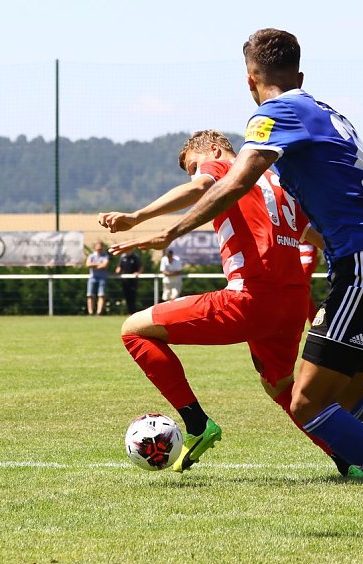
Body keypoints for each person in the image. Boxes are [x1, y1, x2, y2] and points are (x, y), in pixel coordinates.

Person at [108, 29, 363, 535]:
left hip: (361, 266)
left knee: (306, 401)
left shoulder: (270, 117)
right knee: (347, 399)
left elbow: (234, 181)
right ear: (299, 76)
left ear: (251, 80)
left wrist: (166, 231)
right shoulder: (334, 120)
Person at [101, 129, 342, 475]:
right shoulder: (275, 178)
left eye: (194, 165)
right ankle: (349, 456)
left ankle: (197, 424)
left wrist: (137, 217)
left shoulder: (224, 170)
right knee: (279, 386)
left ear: (213, 149)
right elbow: (312, 233)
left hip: (250, 297)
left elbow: (200, 187)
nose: (196, 173)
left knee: (133, 330)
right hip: (291, 302)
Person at [116, 248, 143, 314]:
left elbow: (140, 267)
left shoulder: (135, 257)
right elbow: (119, 267)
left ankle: (133, 312)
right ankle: (129, 312)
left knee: (133, 297)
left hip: (133, 281)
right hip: (125, 281)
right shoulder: (122, 257)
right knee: (126, 297)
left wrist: (138, 273)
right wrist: (117, 271)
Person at [86, 241, 109, 315]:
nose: (99, 249)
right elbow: (88, 264)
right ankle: (90, 312)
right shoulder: (91, 256)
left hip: (102, 278)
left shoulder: (105, 256)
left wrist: (94, 265)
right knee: (90, 295)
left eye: (100, 247)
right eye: (98, 247)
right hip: (92, 277)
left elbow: (105, 265)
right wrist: (99, 264)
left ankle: (99, 312)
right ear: (95, 247)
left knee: (101, 295)